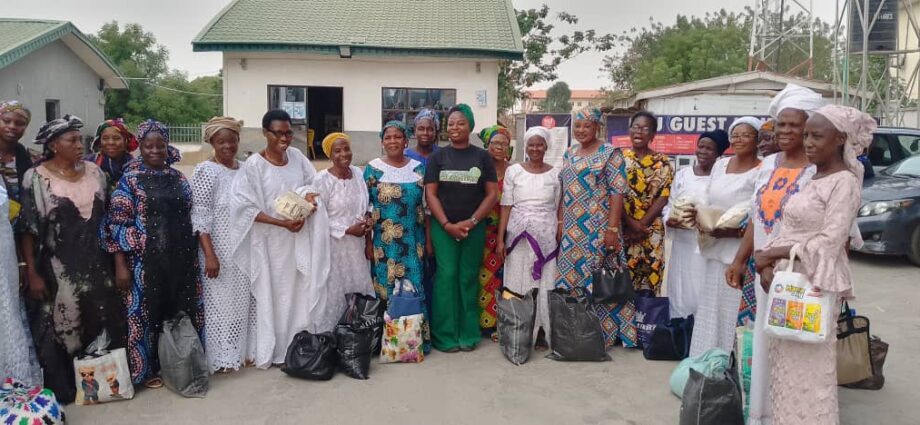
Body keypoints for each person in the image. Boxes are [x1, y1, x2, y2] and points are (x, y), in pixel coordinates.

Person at [753, 104, 873, 425]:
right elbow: (789, 228)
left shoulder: (844, 183)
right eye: (806, 135)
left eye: (817, 136)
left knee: (810, 372)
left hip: (814, 284)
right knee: (785, 367)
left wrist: (773, 254)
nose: (808, 142)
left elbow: (829, 242)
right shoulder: (815, 177)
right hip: (787, 282)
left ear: (840, 139)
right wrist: (765, 262)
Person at [725, 84, 825, 425]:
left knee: (798, 344)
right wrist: (740, 260)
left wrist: (780, 263)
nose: (784, 132)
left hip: (801, 272)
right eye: (780, 125)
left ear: (811, 127)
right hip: (762, 270)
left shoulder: (819, 171)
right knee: (764, 339)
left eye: (793, 125)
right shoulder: (768, 165)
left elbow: (825, 232)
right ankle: (762, 414)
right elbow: (757, 216)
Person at [18, 115, 125, 401]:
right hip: (57, 268)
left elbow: (111, 222)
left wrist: (118, 264)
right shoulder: (36, 178)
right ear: (53, 145)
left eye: (80, 139)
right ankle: (67, 390)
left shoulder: (95, 172)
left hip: (99, 265)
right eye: (72, 140)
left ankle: (103, 388)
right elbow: (28, 229)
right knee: (63, 329)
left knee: (103, 323)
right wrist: (31, 272)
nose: (81, 144)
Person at [101, 119, 202, 388]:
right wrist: (121, 265)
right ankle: (147, 371)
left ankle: (180, 364)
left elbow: (191, 214)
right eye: (149, 146)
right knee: (145, 316)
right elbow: (116, 225)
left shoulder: (177, 177)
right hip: (145, 263)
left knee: (178, 311)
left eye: (160, 145)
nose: (155, 151)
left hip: (180, 260)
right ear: (140, 148)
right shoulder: (130, 180)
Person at [229, 110, 331, 369]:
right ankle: (274, 348)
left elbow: (313, 184)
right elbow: (245, 207)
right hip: (271, 243)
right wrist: (280, 223)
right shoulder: (254, 165)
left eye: (289, 132)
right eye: (279, 133)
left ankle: (296, 345)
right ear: (265, 133)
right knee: (274, 294)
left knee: (299, 292)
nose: (285, 138)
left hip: (298, 238)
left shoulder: (297, 157)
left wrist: (310, 198)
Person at [556, 107, 634, 348]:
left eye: (586, 126)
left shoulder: (610, 153)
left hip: (598, 229)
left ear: (597, 127)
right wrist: (560, 222)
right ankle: (574, 331)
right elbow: (563, 190)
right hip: (571, 230)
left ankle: (603, 335)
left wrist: (612, 230)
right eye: (577, 126)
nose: (581, 131)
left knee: (601, 283)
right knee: (570, 279)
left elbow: (617, 192)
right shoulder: (569, 153)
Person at [425, 104, 498, 353]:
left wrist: (473, 221)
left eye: (461, 123)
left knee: (467, 277)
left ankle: (468, 333)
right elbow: (431, 194)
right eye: (451, 124)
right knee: (447, 276)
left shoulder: (482, 157)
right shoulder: (438, 157)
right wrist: (446, 224)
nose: (455, 127)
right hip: (443, 227)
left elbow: (491, 194)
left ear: (470, 126)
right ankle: (444, 335)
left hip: (473, 228)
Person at [688, 118, 762, 357]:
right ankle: (705, 359)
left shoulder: (762, 170)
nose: (738, 139)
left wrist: (733, 229)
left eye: (745, 135)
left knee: (733, 308)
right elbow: (708, 197)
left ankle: (731, 363)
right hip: (714, 244)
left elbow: (757, 212)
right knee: (711, 306)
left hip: (740, 250)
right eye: (735, 135)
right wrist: (703, 219)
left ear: (757, 140)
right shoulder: (720, 165)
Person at [191, 116, 252, 373]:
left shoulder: (246, 168)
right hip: (218, 249)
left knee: (243, 303)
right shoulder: (206, 171)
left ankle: (242, 353)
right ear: (212, 143)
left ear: (238, 140)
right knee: (220, 305)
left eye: (232, 140)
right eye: (220, 141)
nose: (227, 146)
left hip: (245, 247)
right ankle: (222, 357)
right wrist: (210, 255)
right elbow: (199, 215)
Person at [365, 122, 430, 350]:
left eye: (398, 137)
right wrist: (367, 242)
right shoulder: (372, 169)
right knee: (385, 287)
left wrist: (428, 242)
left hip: (413, 243)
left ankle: (412, 343)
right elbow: (365, 209)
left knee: (413, 288)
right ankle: (387, 343)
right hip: (384, 244)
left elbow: (427, 208)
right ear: (382, 141)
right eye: (388, 137)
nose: (392, 141)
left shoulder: (419, 169)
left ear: (406, 141)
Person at [496, 126, 559, 349]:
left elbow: (557, 205)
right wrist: (500, 238)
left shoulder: (555, 173)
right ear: (525, 146)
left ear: (546, 147)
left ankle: (542, 330)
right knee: (518, 280)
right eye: (531, 144)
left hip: (546, 237)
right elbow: (506, 205)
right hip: (518, 237)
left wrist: (558, 229)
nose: (535, 148)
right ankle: (518, 329)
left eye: (539, 144)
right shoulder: (514, 172)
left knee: (544, 282)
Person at [663, 130, 727, 319]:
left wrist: (703, 220)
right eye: (701, 146)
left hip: (708, 245)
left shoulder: (721, 178)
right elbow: (670, 205)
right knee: (681, 288)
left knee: (703, 289)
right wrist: (671, 220)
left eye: (709, 148)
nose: (703, 152)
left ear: (719, 153)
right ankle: (679, 329)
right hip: (683, 245)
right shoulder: (683, 175)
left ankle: (701, 333)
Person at [315, 132, 373, 323]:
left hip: (357, 246)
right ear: (329, 155)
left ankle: (357, 335)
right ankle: (334, 336)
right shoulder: (322, 180)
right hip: (334, 247)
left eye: (346, 148)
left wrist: (367, 220)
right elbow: (319, 218)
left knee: (358, 287)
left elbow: (366, 203)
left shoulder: (357, 173)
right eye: (337, 150)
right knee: (335, 291)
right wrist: (347, 230)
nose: (343, 154)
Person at [622, 111, 674, 295]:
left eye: (645, 128)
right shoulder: (618, 159)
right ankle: (624, 323)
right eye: (636, 127)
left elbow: (664, 195)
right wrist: (631, 224)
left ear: (653, 135)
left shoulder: (663, 162)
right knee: (622, 284)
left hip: (651, 231)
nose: (639, 132)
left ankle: (649, 323)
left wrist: (641, 225)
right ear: (629, 130)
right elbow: (613, 194)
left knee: (650, 284)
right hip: (624, 230)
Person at [0, 184, 41, 386]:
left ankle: (15, 388)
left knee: (8, 318)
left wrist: (21, 262)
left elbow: (10, 224)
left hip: (5, 264)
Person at [477, 124, 511, 339]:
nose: (499, 147)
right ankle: (483, 324)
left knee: (504, 279)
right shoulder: (478, 169)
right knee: (481, 279)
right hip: (481, 232)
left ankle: (503, 322)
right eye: (494, 143)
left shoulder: (514, 170)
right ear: (486, 145)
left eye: (504, 143)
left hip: (507, 234)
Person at [0, 101, 34, 222]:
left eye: (20, 123)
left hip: (14, 232)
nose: (13, 126)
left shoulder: (24, 158)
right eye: (6, 121)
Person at [84, 118, 138, 193]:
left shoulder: (135, 167)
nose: (111, 142)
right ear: (99, 142)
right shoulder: (87, 163)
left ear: (125, 141)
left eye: (116, 138)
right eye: (105, 138)